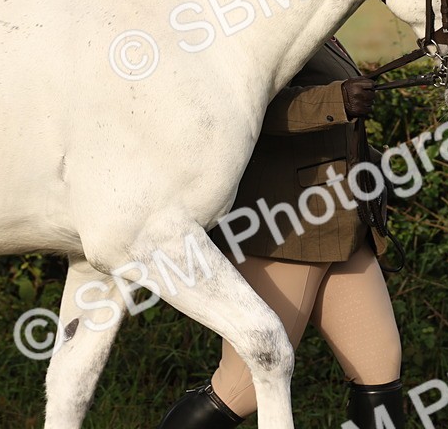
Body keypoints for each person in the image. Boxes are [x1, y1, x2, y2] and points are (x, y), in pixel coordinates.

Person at [158, 37, 406, 429]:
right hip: (284, 229)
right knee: (240, 388)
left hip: (344, 225)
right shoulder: (246, 26)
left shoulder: (320, 29)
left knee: (379, 368)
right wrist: (336, 101)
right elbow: (243, 106)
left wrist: (374, 163)